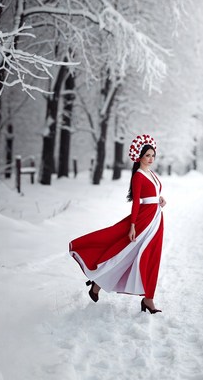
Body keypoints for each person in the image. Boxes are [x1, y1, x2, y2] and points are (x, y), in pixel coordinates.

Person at [69, 134, 166, 314]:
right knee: (124, 253)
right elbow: (136, 202)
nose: (151, 159)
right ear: (139, 157)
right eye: (147, 156)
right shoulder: (138, 176)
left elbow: (150, 195)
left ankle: (147, 299)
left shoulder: (150, 173)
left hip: (156, 219)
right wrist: (132, 225)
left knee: (152, 257)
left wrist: (158, 199)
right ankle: (99, 281)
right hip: (143, 221)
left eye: (153, 155)